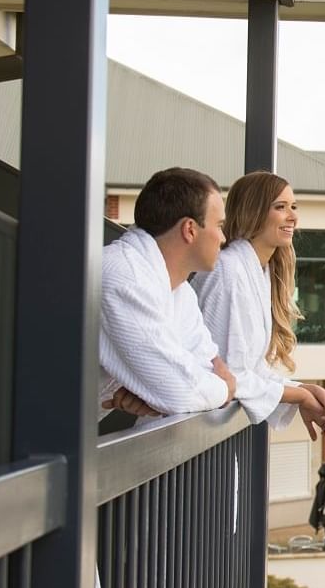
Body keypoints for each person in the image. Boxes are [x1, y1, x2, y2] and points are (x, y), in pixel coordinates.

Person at [193, 171, 325, 447]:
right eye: (280, 207)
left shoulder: (257, 271)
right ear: (254, 211)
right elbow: (228, 374)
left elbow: (252, 369)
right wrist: (299, 397)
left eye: (294, 207)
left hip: (213, 431)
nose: (292, 216)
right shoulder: (229, 271)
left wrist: (306, 390)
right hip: (193, 434)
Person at [98, 167, 236, 420]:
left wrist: (163, 394)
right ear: (190, 229)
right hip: (14, 439)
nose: (224, 238)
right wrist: (225, 388)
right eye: (219, 225)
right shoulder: (125, 277)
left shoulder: (179, 291)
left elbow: (207, 364)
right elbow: (183, 391)